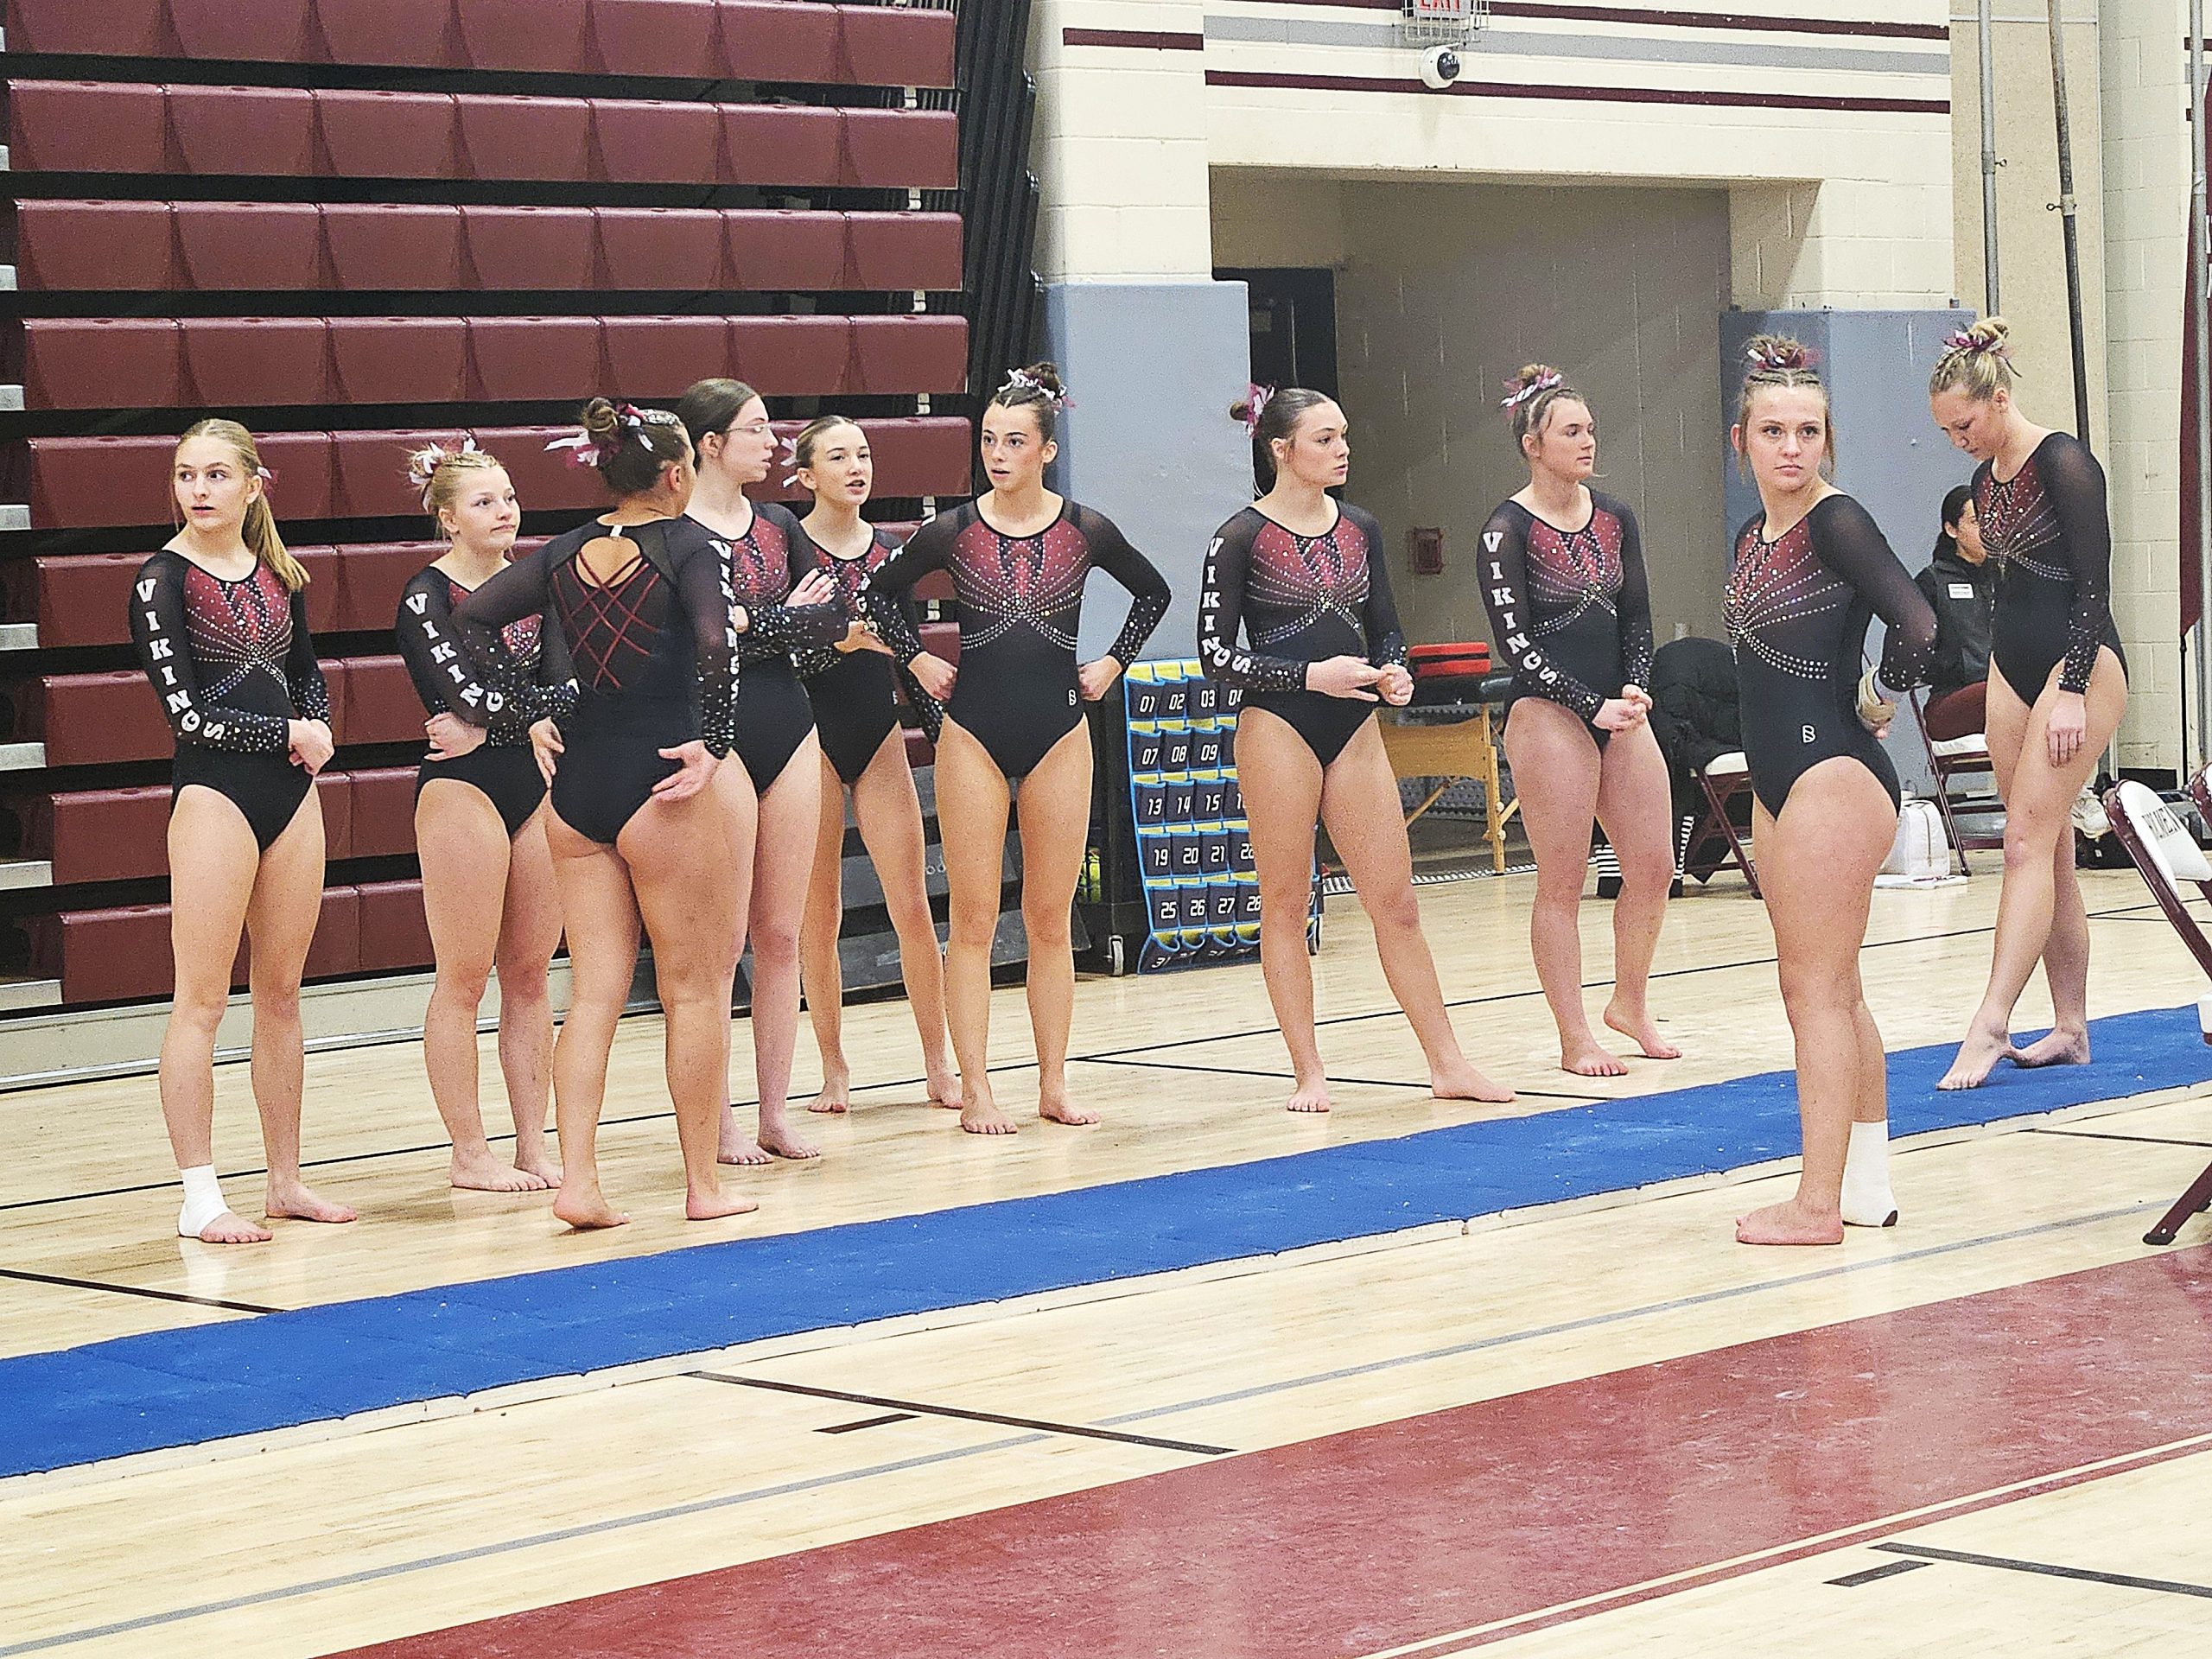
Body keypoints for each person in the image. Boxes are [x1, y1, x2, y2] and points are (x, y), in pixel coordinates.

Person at [456, 398, 748, 1229]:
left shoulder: (562, 553)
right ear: (679, 474)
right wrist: (715, 744)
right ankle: (703, 1186)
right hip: (664, 782)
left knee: (592, 994)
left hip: (578, 792)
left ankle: (578, 1183)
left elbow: (472, 618)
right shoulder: (693, 546)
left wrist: (536, 704)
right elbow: (717, 642)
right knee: (695, 993)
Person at [863, 363, 1170, 1133]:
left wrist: (1113, 660)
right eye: (989, 441)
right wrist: (916, 657)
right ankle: (976, 1087)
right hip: (972, 733)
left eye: (1014, 442)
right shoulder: (955, 530)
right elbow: (878, 595)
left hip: (1062, 734)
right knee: (971, 919)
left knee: (1049, 918)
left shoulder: (1085, 529)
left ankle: (1053, 1084)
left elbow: (1153, 591)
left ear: (1047, 451)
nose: (998, 455)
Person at [1197, 386, 1513, 1114]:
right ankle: (1309, 1070)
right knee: (1285, 902)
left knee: (1396, 903)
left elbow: (1386, 626)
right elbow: (1216, 654)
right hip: (1278, 725)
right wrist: (1309, 675)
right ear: (1281, 450)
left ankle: (1448, 1061)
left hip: (1356, 726)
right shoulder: (1238, 536)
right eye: (1326, 439)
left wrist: (1396, 671)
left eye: (1344, 436)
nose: (1343, 450)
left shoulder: (1361, 528)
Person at [1726, 336, 1936, 1245]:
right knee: (1830, 989)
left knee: (1813, 993)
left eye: (1806, 431)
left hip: (1832, 775)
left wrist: (1881, 681)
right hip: (1782, 780)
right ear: (1742, 440)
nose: (1790, 448)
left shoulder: (1834, 520)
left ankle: (1815, 1205)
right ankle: (1863, 1182)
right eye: (1772, 430)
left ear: (1828, 440)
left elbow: (1920, 620)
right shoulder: (1753, 533)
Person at [129, 419, 354, 1243]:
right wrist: (288, 735)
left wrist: (316, 728)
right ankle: (199, 1195)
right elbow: (186, 713)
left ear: (254, 484)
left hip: (291, 798)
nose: (198, 490)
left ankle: (285, 1179)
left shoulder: (279, 576)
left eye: (216, 475)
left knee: (283, 994)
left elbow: (306, 675)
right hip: (215, 797)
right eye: (186, 475)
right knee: (202, 999)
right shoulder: (161, 580)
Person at [1927, 317, 2130, 1090]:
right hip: (2014, 667)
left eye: (1965, 424)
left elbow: (2093, 584)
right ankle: (2072, 1028)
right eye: (1947, 431)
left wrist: (2073, 686)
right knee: (2045, 851)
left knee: (2021, 842)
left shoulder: (2066, 463)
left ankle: (1991, 1020)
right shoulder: (1984, 484)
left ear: (2001, 398)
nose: (1958, 441)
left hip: (2082, 663)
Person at [1478, 365, 1679, 1077]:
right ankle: (1574, 1035)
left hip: (1617, 710)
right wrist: (1587, 702)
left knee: (1653, 866)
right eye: (1572, 431)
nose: (1588, 440)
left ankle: (1629, 1001)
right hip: (1548, 712)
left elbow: (1638, 616)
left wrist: (1635, 688)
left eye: (1590, 429)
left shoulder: (1615, 517)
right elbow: (1517, 644)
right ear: (1533, 444)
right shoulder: (1507, 531)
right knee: (1562, 880)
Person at [674, 378, 848, 1164]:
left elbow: (833, 620)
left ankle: (774, 1108)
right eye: (755, 430)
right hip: (714, 734)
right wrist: (767, 621)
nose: (773, 442)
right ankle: (719, 1118)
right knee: (718, 944)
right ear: (710, 444)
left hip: (790, 723)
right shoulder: (672, 531)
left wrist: (745, 622)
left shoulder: (779, 523)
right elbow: (691, 639)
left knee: (781, 933)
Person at [393, 440, 573, 1192]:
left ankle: (533, 1141)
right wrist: (508, 719)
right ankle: (470, 1152)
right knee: (464, 976)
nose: (504, 511)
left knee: (531, 975)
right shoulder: (424, 596)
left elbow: (566, 691)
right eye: (484, 502)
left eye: (508, 497)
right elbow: (459, 693)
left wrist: (502, 719)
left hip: (538, 785)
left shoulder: (542, 585)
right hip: (461, 789)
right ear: (447, 517)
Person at [787, 414, 960, 1115]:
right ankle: (833, 1067)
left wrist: (944, 734)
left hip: (877, 733)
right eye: (837, 457)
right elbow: (783, 651)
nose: (856, 467)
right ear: (806, 476)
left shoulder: (892, 552)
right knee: (817, 914)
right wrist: (844, 644)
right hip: (808, 737)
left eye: (862, 454)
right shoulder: (784, 545)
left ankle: (939, 1062)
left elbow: (910, 653)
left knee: (911, 904)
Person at [1915, 482, 1997, 743]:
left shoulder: (2006, 578)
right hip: (1950, 700)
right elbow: (1916, 649)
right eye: (1976, 521)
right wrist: (1950, 664)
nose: (1987, 531)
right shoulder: (1932, 582)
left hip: (2002, 696)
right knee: (2008, 693)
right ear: (1952, 529)